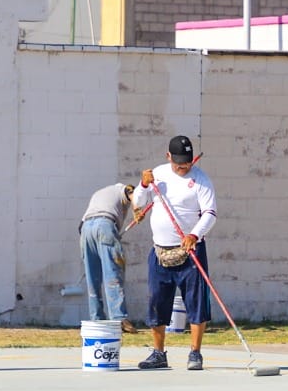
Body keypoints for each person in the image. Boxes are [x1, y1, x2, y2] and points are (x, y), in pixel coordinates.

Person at [131, 135, 216, 371]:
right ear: (168, 156)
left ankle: (195, 353)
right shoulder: (158, 174)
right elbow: (138, 202)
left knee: (196, 303)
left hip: (191, 251)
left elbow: (210, 213)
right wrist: (144, 184)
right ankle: (158, 354)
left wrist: (194, 235)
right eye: (178, 161)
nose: (183, 166)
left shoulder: (201, 180)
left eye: (187, 161)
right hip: (160, 251)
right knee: (157, 302)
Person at [80, 182, 137, 332]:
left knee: (93, 277)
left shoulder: (99, 193)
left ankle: (97, 318)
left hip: (86, 228)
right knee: (113, 272)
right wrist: (137, 210)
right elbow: (133, 194)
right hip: (105, 224)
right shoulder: (123, 189)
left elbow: (80, 226)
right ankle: (119, 318)